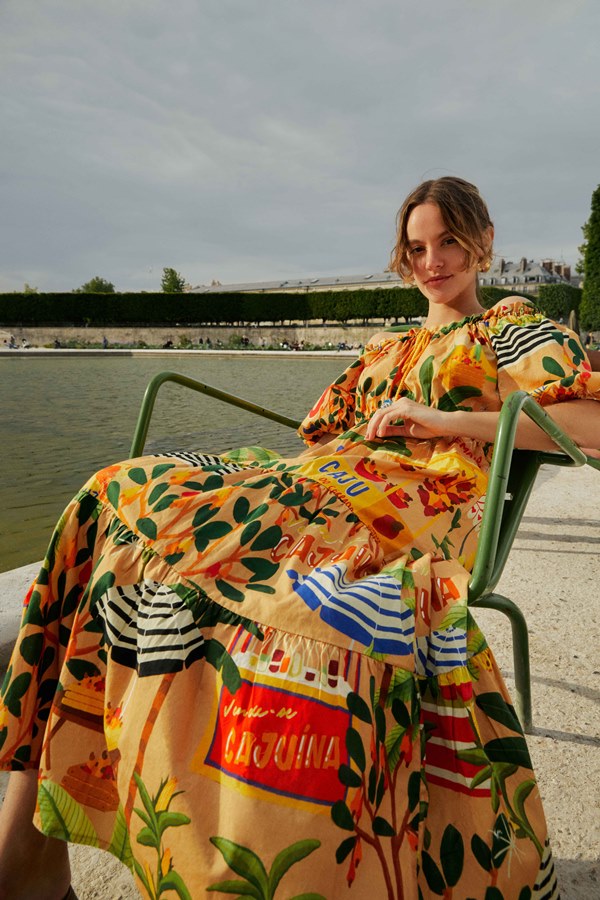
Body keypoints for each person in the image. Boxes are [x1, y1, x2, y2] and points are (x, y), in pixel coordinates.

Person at [1, 177, 599, 900]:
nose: (433, 262)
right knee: (113, 496)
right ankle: (28, 846)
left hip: (418, 499)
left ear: (486, 240)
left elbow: (592, 426)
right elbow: (318, 434)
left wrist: (442, 421)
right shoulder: (389, 343)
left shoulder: (514, 327)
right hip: (326, 480)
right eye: (416, 248)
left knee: (284, 592)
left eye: (448, 242)